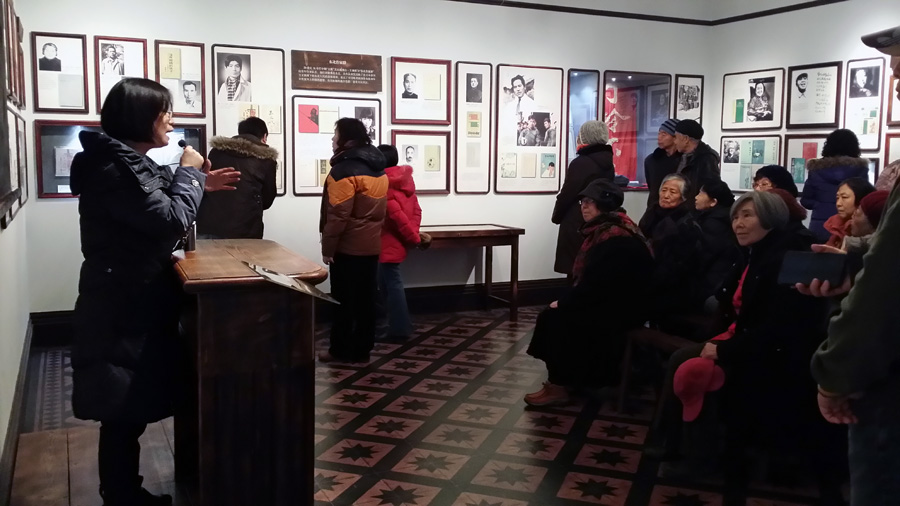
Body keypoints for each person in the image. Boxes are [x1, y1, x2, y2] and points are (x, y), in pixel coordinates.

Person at [68, 78, 239, 506]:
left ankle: (124, 491)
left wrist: (197, 181)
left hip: (128, 299)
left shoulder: (121, 163)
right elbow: (169, 220)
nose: (171, 121)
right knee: (121, 409)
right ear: (141, 117)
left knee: (127, 407)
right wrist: (190, 174)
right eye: (165, 112)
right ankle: (122, 495)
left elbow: (155, 187)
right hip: (123, 305)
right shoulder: (113, 169)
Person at [661, 192, 841, 502]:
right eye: (735, 217)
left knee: (694, 370)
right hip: (753, 342)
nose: (738, 224)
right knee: (684, 361)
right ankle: (677, 446)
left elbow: (781, 329)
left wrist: (724, 350)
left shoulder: (784, 258)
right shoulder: (757, 252)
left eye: (748, 216)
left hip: (779, 359)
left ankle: (699, 458)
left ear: (770, 218)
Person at [806, 26, 900, 506]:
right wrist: (854, 261)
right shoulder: (864, 171)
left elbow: (885, 284)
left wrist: (834, 373)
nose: (896, 79)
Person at [525, 180, 653, 406]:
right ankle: (569, 380)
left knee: (554, 319)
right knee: (557, 315)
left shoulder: (614, 236)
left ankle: (560, 384)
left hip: (623, 309)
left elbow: (599, 285)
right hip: (613, 302)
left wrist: (565, 303)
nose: (584, 206)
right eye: (583, 201)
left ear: (604, 205)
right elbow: (596, 284)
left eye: (590, 202)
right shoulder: (608, 230)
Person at [318, 118, 388, 363]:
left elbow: (338, 216)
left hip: (347, 249)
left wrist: (328, 249)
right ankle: (362, 350)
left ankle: (339, 349)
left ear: (346, 140)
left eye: (335, 134)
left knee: (343, 301)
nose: (332, 139)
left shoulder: (343, 172)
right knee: (366, 300)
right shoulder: (378, 168)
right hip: (370, 247)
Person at [196, 117, 278, 239]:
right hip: (246, 229)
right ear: (264, 136)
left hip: (209, 226)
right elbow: (267, 200)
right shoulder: (266, 159)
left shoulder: (216, 151)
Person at [551, 120, 614, 276]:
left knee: (575, 269)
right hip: (600, 220)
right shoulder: (608, 163)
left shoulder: (581, 163)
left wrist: (556, 216)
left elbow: (568, 194)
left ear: (586, 136)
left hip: (577, 219)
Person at [640, 174, 706, 319]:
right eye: (664, 190)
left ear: (683, 197)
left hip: (674, 290)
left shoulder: (686, 226)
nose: (666, 195)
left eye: (673, 192)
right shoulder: (651, 214)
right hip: (648, 280)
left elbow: (677, 267)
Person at [376, 144, 422, 342]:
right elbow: (416, 211)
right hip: (395, 242)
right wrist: (412, 235)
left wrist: (413, 238)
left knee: (393, 286)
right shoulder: (405, 182)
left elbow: (396, 217)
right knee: (388, 284)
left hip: (387, 242)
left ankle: (399, 328)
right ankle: (396, 324)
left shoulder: (385, 185)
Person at [801, 129, 869, 243]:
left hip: (820, 227)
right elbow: (864, 199)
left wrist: (820, 205)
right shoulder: (860, 169)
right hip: (850, 226)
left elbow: (806, 201)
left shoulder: (816, 169)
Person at [693, 180, 739, 303]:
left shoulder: (714, 223)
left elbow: (704, 257)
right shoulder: (725, 217)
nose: (696, 197)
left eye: (701, 194)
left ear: (713, 202)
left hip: (711, 283)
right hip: (719, 280)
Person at [672, 119, 721, 207]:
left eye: (676, 137)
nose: (674, 141)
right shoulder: (680, 157)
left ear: (686, 139)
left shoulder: (707, 159)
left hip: (695, 211)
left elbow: (711, 189)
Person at [822, 177, 875, 248]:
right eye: (837, 198)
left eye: (844, 197)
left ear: (861, 199)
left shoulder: (870, 230)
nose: (838, 203)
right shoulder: (836, 225)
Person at [645, 119, 681, 207]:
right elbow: (651, 186)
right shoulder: (651, 160)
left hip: (678, 208)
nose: (659, 137)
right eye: (659, 133)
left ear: (675, 137)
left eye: (664, 134)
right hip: (654, 207)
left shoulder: (685, 161)